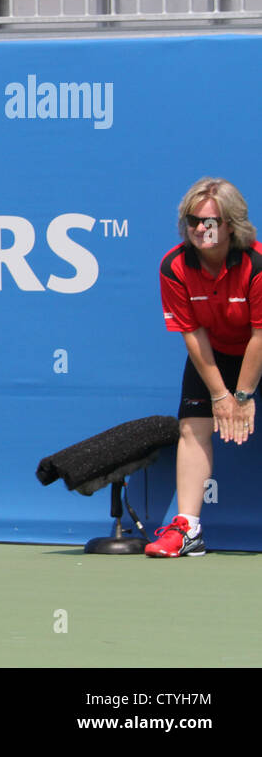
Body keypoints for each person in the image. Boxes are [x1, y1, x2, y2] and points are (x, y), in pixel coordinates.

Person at [151, 176, 262, 557]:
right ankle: (188, 530)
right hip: (215, 350)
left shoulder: (257, 263)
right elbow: (193, 334)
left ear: (231, 224)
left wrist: (243, 396)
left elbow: (260, 336)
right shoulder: (174, 267)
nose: (200, 228)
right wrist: (219, 394)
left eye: (209, 222)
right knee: (192, 427)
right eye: (192, 220)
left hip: (258, 344)